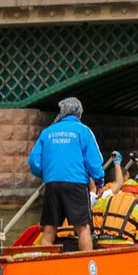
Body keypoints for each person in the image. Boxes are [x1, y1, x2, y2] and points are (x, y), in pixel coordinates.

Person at [27, 98, 106, 251]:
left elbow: (33, 161)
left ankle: (45, 264)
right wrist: (99, 181)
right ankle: (87, 264)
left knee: (49, 230)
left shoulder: (47, 132)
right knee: (83, 228)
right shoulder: (83, 131)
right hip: (75, 184)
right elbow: (94, 160)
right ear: (79, 114)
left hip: (52, 184)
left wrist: (46, 174)